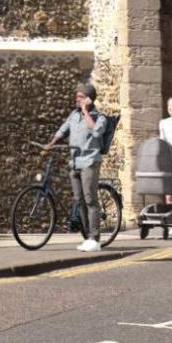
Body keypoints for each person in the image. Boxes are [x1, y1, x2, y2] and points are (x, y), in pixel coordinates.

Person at [40, 81, 110, 251]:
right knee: (79, 201)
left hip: (90, 162)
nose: (77, 100)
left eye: (81, 97)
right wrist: (50, 144)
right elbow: (62, 130)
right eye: (77, 97)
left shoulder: (99, 117)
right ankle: (88, 237)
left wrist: (86, 111)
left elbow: (96, 131)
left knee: (90, 200)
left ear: (89, 99)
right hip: (75, 162)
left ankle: (95, 238)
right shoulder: (73, 115)